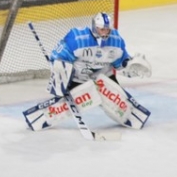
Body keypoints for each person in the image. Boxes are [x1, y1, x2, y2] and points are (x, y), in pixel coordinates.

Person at [24, 12, 152, 131]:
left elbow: (121, 63)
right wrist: (60, 71)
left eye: (107, 29)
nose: (105, 33)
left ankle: (132, 116)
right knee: (80, 97)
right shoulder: (78, 38)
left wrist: (129, 66)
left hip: (103, 75)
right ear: (94, 27)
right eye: (102, 29)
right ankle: (41, 117)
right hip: (78, 77)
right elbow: (59, 56)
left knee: (113, 95)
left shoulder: (116, 41)